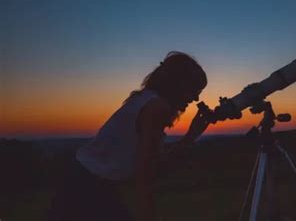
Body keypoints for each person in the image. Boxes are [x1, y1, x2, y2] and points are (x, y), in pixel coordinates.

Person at [48, 51, 209, 221]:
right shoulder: (157, 108)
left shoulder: (144, 99)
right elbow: (146, 173)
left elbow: (151, 160)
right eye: (194, 89)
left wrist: (191, 136)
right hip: (88, 188)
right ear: (179, 83)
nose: (196, 97)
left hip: (82, 180)